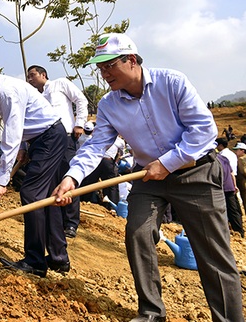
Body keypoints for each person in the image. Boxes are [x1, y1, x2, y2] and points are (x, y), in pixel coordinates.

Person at [53, 33, 243, 322]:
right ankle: (152, 312)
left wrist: (167, 163)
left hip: (197, 173)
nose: (104, 74)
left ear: (131, 60)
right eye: (100, 69)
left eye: (109, 66)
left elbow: (203, 131)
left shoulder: (172, 82)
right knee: (138, 234)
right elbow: (95, 146)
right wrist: (72, 177)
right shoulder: (108, 105)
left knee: (213, 253)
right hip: (148, 180)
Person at [0, 49, 68, 278]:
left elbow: (11, 133)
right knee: (48, 196)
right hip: (43, 137)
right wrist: (24, 149)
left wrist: (1, 179)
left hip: (48, 136)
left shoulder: (6, 92)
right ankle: (58, 258)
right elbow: (20, 126)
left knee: (31, 193)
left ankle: (35, 261)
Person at [27, 65, 88, 238]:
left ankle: (71, 223)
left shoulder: (60, 84)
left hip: (67, 136)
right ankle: (55, 221)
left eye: (32, 75)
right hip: (46, 142)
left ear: (43, 74)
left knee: (68, 177)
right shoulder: (36, 97)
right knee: (50, 181)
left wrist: (79, 123)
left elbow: (81, 100)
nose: (30, 79)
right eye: (28, 77)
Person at [233, 142, 246, 215]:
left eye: (237, 150)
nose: (236, 151)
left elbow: (243, 171)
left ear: (242, 150)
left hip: (243, 184)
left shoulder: (240, 159)